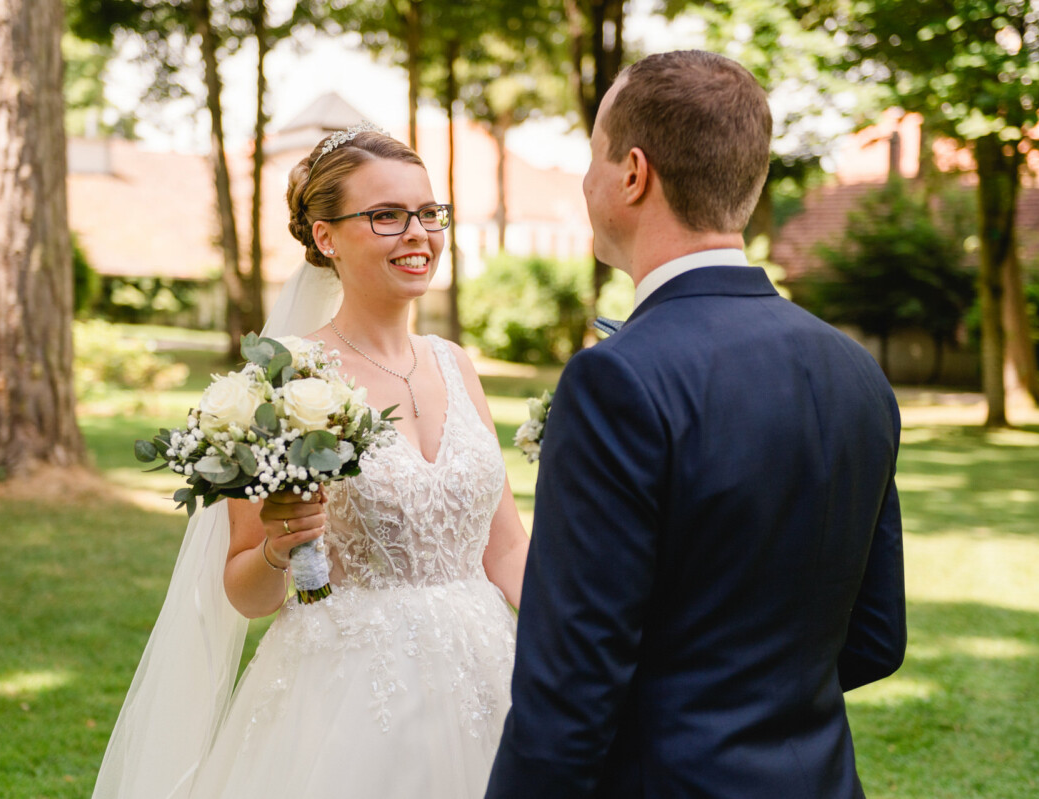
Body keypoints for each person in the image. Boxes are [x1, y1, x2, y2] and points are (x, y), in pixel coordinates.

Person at [485, 50, 906, 799]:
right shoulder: (856, 371)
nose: (585, 181)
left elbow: (569, 695)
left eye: (592, 156)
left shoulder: (617, 378)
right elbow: (876, 637)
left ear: (633, 174)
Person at [94, 124, 529, 799]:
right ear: (326, 236)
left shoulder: (456, 363)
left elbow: (505, 550)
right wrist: (280, 544)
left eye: (427, 212)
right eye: (386, 215)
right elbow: (246, 591)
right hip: (348, 698)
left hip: (487, 673)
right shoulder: (284, 381)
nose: (418, 232)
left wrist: (579, 646)